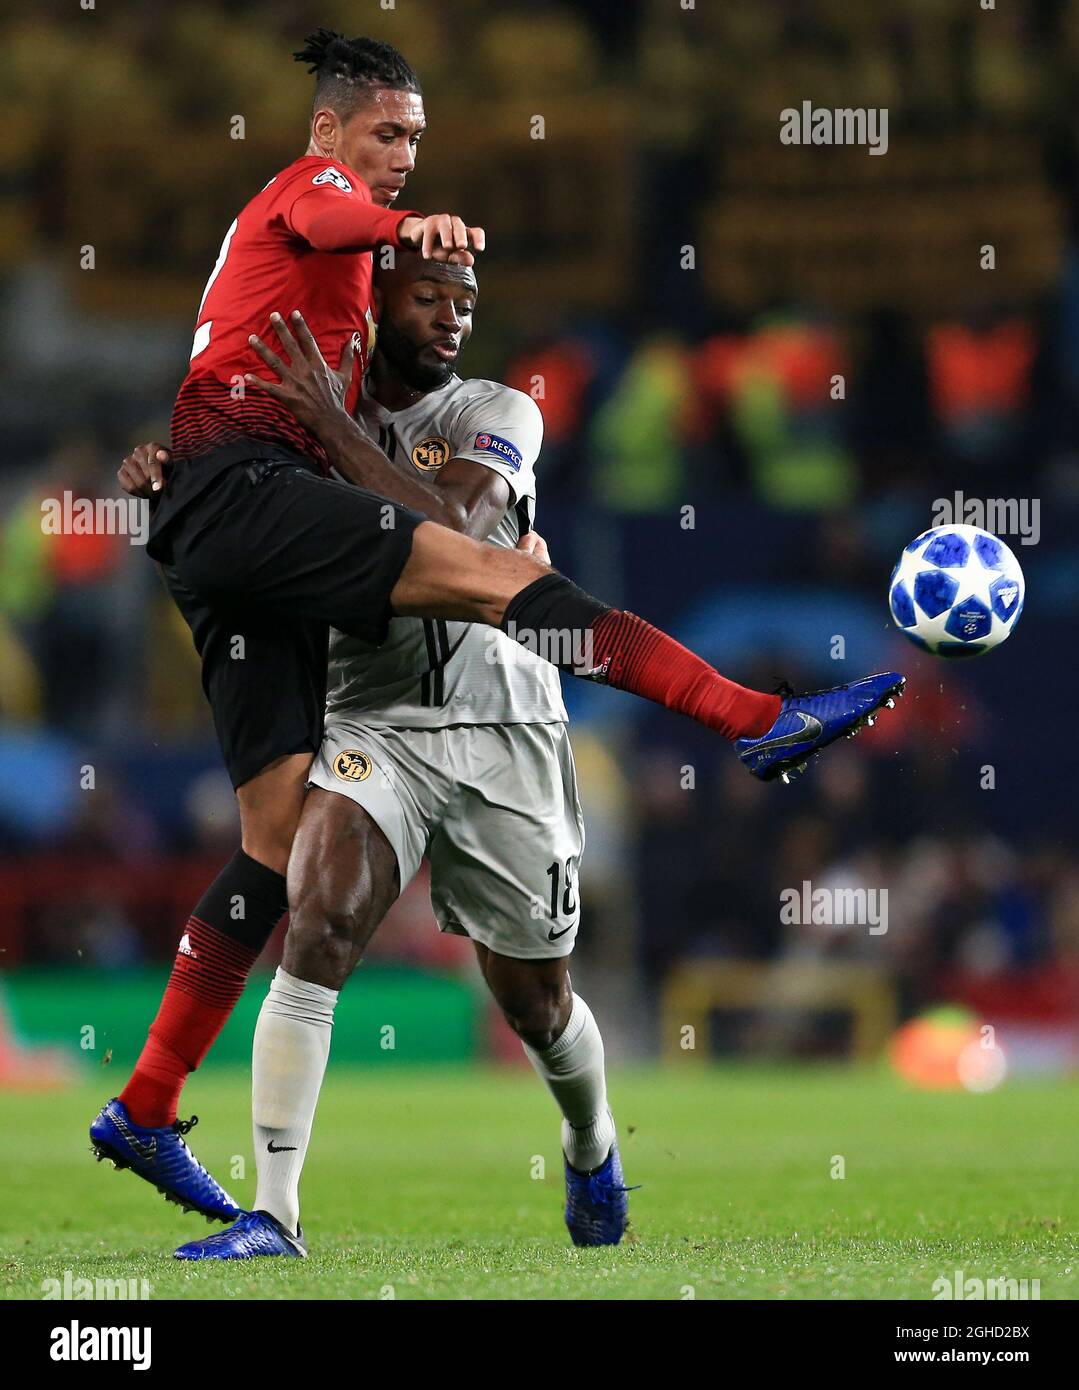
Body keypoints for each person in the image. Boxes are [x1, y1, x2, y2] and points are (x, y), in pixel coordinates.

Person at [92, 33, 904, 1225]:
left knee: (322, 872)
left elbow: (430, 499)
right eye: (388, 137)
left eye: (417, 144)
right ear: (331, 136)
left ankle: (151, 1104)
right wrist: (397, 237)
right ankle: (753, 718)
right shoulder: (316, 207)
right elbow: (324, 233)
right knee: (322, 906)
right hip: (363, 692)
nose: (449, 307)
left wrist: (239, 443)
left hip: (491, 716)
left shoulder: (482, 404)